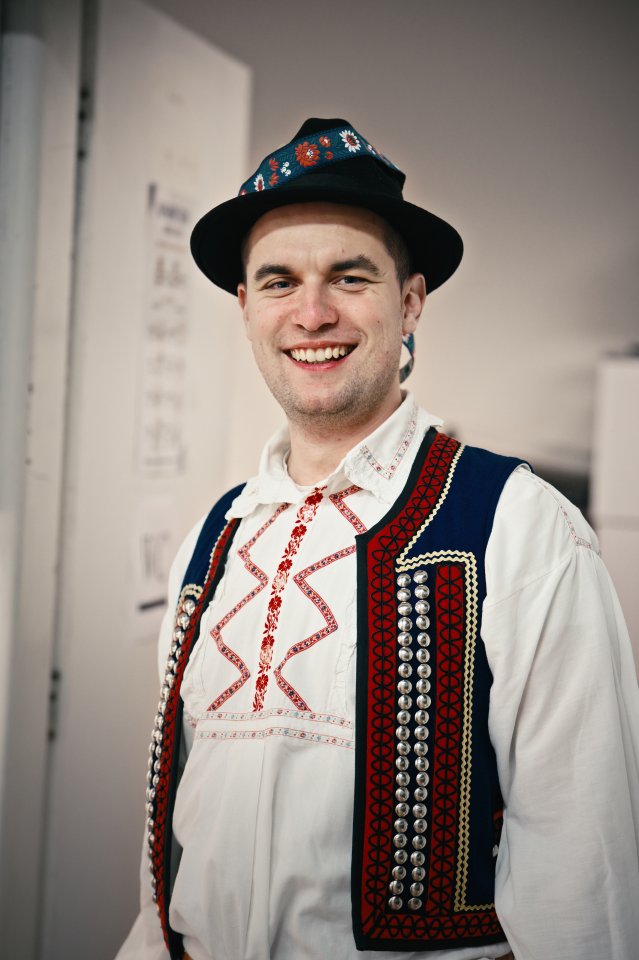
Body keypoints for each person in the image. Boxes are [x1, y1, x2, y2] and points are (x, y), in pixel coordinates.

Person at [116, 118, 639, 960]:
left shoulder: (519, 527)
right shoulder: (213, 538)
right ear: (245, 307)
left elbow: (585, 877)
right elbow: (171, 862)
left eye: (349, 276)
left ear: (409, 302)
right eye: (279, 281)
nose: (311, 313)